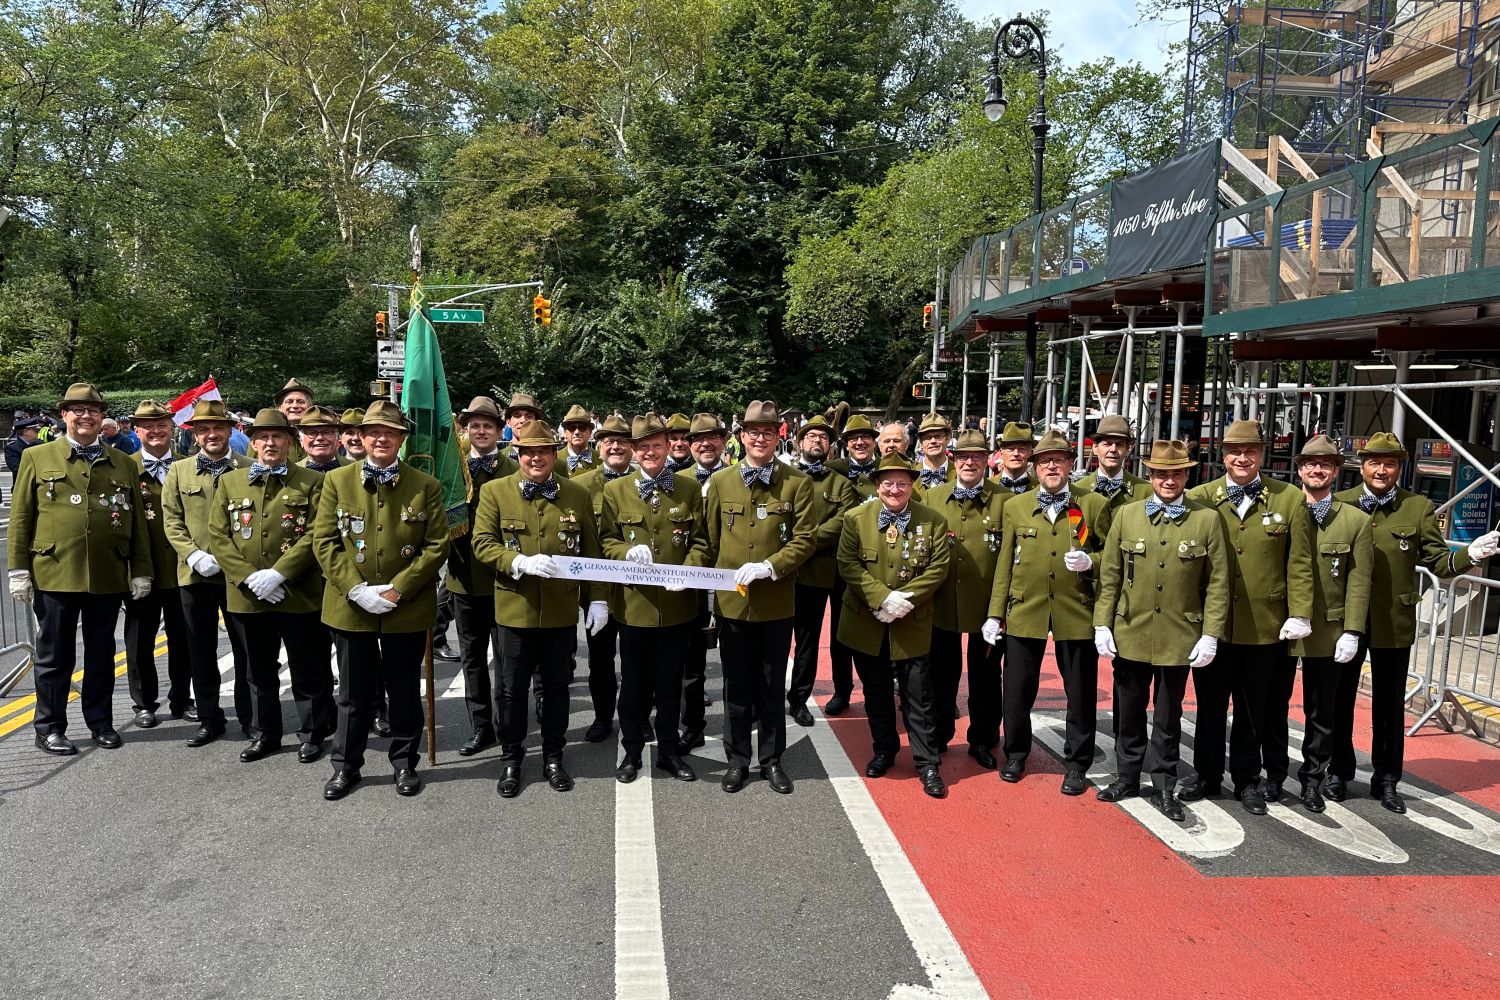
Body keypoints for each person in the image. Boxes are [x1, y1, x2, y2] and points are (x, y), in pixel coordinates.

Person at [1333, 432, 1499, 812]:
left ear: (1399, 468)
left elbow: (1439, 563)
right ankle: (1338, 771)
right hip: (1347, 620)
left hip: (1393, 620)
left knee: (1389, 707)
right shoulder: (1341, 504)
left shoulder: (1418, 507)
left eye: (1389, 463)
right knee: (1340, 700)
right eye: (1374, 462)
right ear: (1363, 465)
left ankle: (1387, 780)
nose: (1381, 470)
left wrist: (1470, 554)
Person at [313, 401, 450, 800]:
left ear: (401, 439)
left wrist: (398, 589)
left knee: (404, 689)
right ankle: (346, 767)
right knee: (353, 694)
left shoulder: (425, 485)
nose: (381, 438)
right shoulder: (337, 481)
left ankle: (404, 764)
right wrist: (355, 588)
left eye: (390, 433)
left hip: (404, 606)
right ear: (361, 437)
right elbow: (325, 542)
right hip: (350, 604)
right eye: (373, 432)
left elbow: (436, 544)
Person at [7, 383, 153, 755]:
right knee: (55, 656)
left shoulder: (122, 462)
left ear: (102, 416)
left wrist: (140, 569)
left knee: (102, 653)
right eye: (77, 410)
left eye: (93, 410)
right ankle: (50, 727)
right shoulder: (38, 457)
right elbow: (23, 516)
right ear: (65, 415)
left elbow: (136, 521)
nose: (86, 416)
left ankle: (100, 722)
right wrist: (18, 569)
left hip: (106, 573)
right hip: (56, 570)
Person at [1180, 419, 1315, 815]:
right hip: (1214, 625)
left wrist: (1301, 612)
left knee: (1253, 710)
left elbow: (1300, 562)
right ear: (1223, 456)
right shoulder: (1201, 497)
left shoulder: (1289, 498)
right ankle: (1206, 774)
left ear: (1261, 455)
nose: (1243, 458)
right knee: (1209, 706)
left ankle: (1247, 780)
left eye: (1251, 451)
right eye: (1235, 452)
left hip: (1265, 625)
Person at [1093, 439, 1231, 821]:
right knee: (1130, 711)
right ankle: (1126, 777)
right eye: (1161, 473)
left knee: (1169, 717)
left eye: (1177, 473)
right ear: (1150, 475)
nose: (1169, 480)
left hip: (1179, 634)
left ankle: (1165, 784)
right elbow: (1111, 574)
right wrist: (1102, 623)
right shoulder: (1127, 514)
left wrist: (1210, 633)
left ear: (1188, 475)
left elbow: (1218, 581)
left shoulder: (1205, 519)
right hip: (1131, 629)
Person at [472, 420, 603, 797]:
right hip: (515, 609)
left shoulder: (575, 494)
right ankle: (511, 759)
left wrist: (596, 598)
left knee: (557, 689)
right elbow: (482, 543)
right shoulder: (496, 491)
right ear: (518, 455)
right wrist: (517, 562)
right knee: (511, 691)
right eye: (528, 452)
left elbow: (591, 551)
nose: (536, 458)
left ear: (554, 454)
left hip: (560, 612)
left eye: (543, 451)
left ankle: (553, 756)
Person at [984, 430, 1112, 790]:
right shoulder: (1016, 506)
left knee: (1081, 691)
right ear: (1034, 467)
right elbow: (1005, 564)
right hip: (1027, 607)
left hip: (1076, 610)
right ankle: (1016, 753)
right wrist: (996, 613)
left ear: (1072, 464)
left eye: (1059, 459)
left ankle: (1077, 763)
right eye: (1044, 461)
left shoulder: (1092, 505)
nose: (1052, 465)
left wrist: (1091, 562)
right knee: (1017, 688)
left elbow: (1110, 559)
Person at [209, 408, 335, 764]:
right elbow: (219, 535)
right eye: (262, 437)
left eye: (277, 436)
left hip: (297, 592)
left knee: (307, 668)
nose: (269, 443)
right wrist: (249, 577)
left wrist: (280, 573)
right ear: (252, 441)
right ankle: (266, 733)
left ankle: (313, 732)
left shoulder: (312, 482)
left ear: (290, 443)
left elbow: (317, 533)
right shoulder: (231, 482)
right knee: (257, 670)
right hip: (248, 595)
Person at [704, 400, 816, 794]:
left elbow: (805, 539)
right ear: (742, 437)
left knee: (770, 688)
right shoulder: (721, 482)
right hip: (732, 602)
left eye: (767, 433)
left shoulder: (797, 483)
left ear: (777, 437)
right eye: (753, 432)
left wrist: (771, 566)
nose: (760, 438)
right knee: (736, 687)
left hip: (774, 601)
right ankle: (737, 761)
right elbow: (710, 540)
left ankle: (770, 760)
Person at [599, 414, 709, 783]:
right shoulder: (616, 491)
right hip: (633, 607)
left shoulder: (689, 488)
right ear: (633, 450)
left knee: (669, 685)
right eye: (643, 447)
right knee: (633, 686)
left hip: (677, 607)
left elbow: (701, 542)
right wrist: (624, 554)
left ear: (668, 448)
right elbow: (606, 540)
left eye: (656, 446)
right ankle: (631, 752)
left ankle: (668, 751)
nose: (650, 452)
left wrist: (688, 571)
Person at [836, 452, 951, 798]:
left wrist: (904, 601)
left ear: (912, 485)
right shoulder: (856, 518)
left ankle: (927, 762)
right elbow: (847, 563)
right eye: (888, 482)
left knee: (919, 695)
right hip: (867, 621)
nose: (895, 489)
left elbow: (938, 568)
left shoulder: (932, 520)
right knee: (877, 692)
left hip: (911, 621)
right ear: (877, 485)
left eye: (902, 482)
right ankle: (884, 750)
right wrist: (882, 598)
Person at [1288, 434, 1373, 813]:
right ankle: (1272, 775)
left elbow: (1359, 580)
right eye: (1310, 464)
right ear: (1300, 469)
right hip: (1282, 625)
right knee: (1270, 704)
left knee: (1322, 712)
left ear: (1336, 471)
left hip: (1328, 629)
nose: (1317, 470)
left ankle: (1312, 780)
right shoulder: (1282, 510)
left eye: (1325, 464)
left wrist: (1352, 630)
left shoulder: (1355, 521)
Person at [162, 399, 254, 747]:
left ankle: (250, 717)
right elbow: (172, 520)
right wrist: (193, 554)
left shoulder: (249, 467)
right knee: (200, 651)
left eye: (218, 428)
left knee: (246, 651)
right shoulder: (178, 471)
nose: (212, 434)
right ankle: (209, 717)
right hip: (196, 575)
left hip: (238, 577)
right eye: (204, 430)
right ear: (195, 434)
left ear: (230, 431)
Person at [926, 429, 1010, 769]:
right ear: (953, 459)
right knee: (940, 675)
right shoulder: (933, 497)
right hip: (942, 602)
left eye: (976, 456)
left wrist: (999, 609)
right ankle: (940, 734)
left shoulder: (1005, 500)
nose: (969, 462)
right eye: (963, 456)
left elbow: (1008, 556)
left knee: (986, 677)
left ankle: (983, 738)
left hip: (986, 605)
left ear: (987, 459)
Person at [447, 396, 519, 756]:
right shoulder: (453, 469)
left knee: (507, 660)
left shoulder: (513, 470)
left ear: (498, 430)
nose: (481, 431)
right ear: (466, 429)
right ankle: (480, 726)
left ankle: (507, 725)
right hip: (463, 578)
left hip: (505, 580)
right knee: (472, 658)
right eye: (474, 425)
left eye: (487, 425)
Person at [123, 400, 193, 728]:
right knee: (140, 641)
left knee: (184, 638)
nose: (156, 431)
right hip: (144, 570)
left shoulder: (186, 466)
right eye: (147, 426)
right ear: (136, 431)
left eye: (162, 424)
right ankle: (144, 703)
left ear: (172, 428)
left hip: (183, 569)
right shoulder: (125, 468)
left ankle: (182, 697)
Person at [787, 415, 858, 727]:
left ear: (830, 446)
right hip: (804, 571)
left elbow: (845, 519)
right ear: (800, 442)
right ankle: (798, 699)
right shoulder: (786, 477)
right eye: (811, 436)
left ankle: (843, 690)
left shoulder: (841, 483)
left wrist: (807, 539)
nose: (817, 441)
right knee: (806, 638)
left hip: (838, 570)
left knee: (841, 637)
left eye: (823, 437)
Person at [571, 414, 635, 742]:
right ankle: (602, 716)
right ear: (598, 446)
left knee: (639, 661)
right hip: (597, 590)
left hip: (636, 590)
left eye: (622, 441)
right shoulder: (581, 485)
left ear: (632, 447)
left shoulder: (645, 482)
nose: (615, 446)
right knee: (600, 660)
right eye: (608, 440)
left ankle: (636, 716)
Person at [679, 411, 730, 752]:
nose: (705, 444)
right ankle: (691, 726)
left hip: (731, 581)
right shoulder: (677, 480)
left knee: (737, 662)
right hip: (691, 583)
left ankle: (737, 728)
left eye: (711, 437)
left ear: (724, 441)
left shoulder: (741, 477)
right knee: (690, 665)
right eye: (697, 439)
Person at [823, 414, 879, 716]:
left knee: (876, 630)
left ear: (874, 441)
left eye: (865, 437)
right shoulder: (834, 471)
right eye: (853, 438)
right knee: (840, 633)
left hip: (877, 566)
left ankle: (877, 690)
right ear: (845, 444)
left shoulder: (886, 472)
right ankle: (842, 690)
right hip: (840, 565)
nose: (860, 442)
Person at [1073, 415, 1148, 506]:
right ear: (1095, 448)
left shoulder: (1145, 492)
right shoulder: (1078, 491)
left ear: (1128, 449)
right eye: (1107, 444)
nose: (1113, 449)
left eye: (1119, 444)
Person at [297, 405, 346, 473]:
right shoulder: (291, 472)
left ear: (338, 440)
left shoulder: (357, 469)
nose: (320, 438)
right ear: (301, 441)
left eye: (326, 432)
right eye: (312, 433)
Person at [991, 421, 1036, 493]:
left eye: (1022, 449)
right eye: (1010, 449)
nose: (1016, 453)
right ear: (1001, 453)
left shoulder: (1040, 490)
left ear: (1031, 453)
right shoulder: (986, 488)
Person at [915, 413, 957, 489]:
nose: (933, 441)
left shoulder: (959, 474)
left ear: (948, 438)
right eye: (927, 437)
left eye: (938, 436)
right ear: (921, 442)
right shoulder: (911, 475)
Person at [557, 404, 598, 478]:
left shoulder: (600, 459)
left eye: (582, 427)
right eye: (571, 428)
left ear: (590, 432)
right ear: (565, 432)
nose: (577, 432)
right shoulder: (554, 460)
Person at [503, 391, 543, 460]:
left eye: (529, 416)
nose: (523, 420)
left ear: (536, 421)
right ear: (508, 422)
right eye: (517, 416)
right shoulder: (500, 459)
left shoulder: (548, 460)